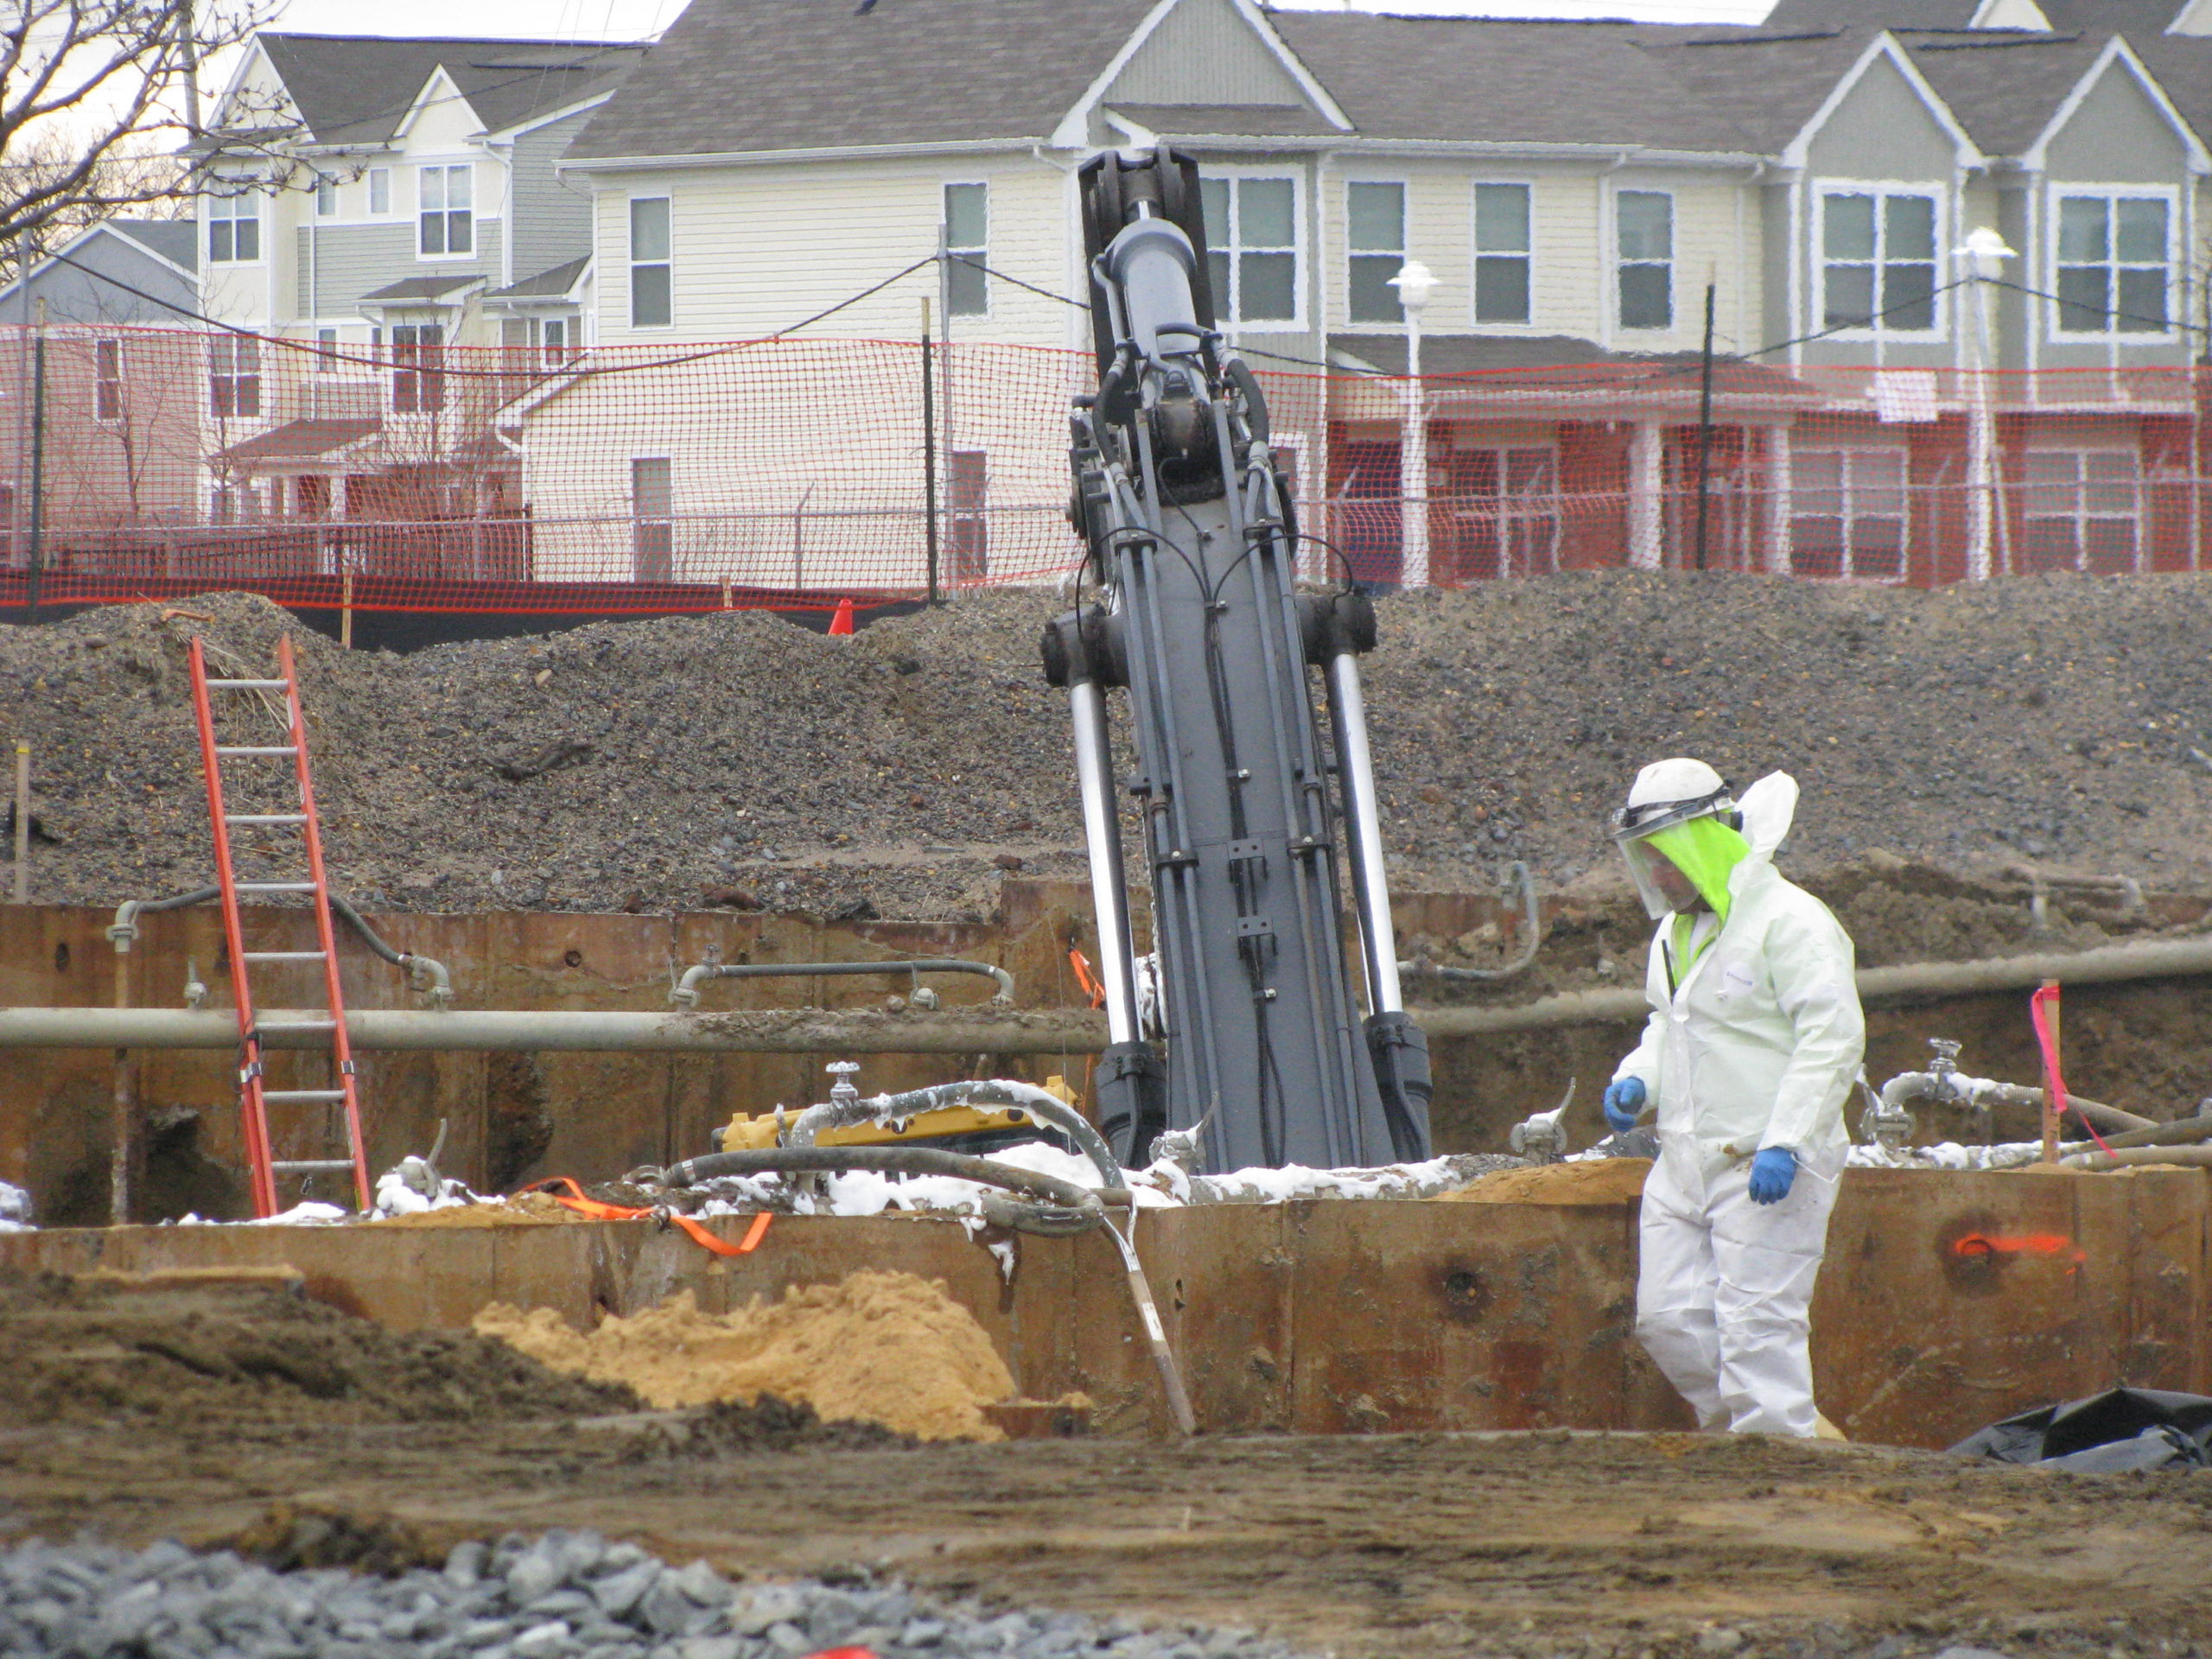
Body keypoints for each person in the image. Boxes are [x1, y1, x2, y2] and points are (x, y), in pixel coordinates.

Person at [1600, 758, 1863, 1438]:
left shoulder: (1791, 922)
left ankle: (1785, 1487)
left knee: (1757, 1333)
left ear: (1709, 840)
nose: (1658, 876)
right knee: (1670, 1321)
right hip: (1685, 1161)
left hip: (1764, 1162)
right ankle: (1767, 1445)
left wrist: (1787, 1139)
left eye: (1667, 858)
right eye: (1648, 861)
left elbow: (1830, 1038)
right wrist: (1641, 1076)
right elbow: (1671, 1022)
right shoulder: (1676, 932)